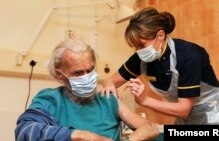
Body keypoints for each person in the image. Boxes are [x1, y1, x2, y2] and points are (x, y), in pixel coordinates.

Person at [101, 7, 219, 124]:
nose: (138, 51)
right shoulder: (140, 58)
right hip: (185, 115)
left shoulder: (189, 56)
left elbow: (184, 109)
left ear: (160, 35)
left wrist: (144, 100)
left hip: (214, 110)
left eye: (141, 45)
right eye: (134, 47)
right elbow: (111, 81)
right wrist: (111, 90)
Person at [15, 39, 159, 141]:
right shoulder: (51, 99)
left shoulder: (107, 100)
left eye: (90, 70)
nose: (86, 77)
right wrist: (80, 135)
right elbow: (25, 131)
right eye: (78, 73)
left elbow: (150, 127)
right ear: (60, 75)